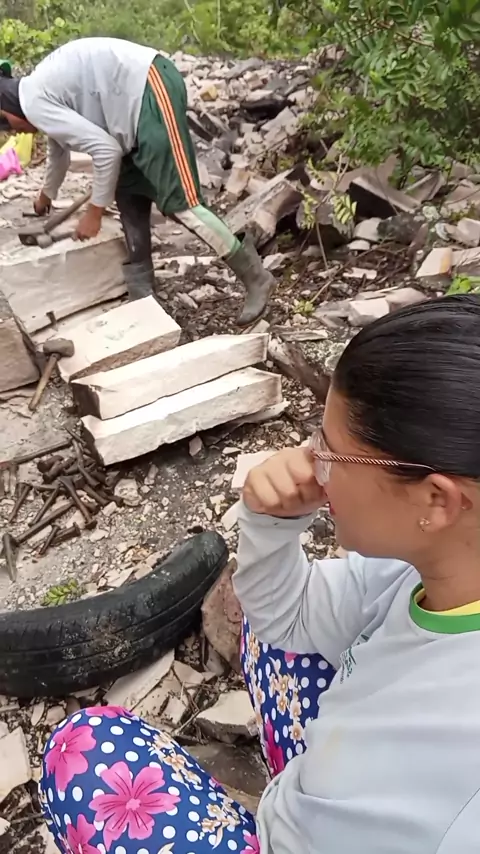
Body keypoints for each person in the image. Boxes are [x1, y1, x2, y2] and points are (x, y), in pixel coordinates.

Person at [39, 293, 480, 853]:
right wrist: (269, 525)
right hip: (334, 793)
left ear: (437, 501)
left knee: (82, 750)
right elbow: (286, 615)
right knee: (278, 630)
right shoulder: (417, 573)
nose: (310, 465)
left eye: (331, 453)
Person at [0, 38, 274, 324]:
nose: (16, 133)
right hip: (127, 111)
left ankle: (256, 277)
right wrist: (45, 197)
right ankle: (143, 295)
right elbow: (59, 151)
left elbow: (106, 150)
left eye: (7, 126)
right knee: (129, 195)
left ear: (4, 109)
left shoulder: (34, 101)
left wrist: (94, 213)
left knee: (180, 204)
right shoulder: (35, 92)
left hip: (149, 87)